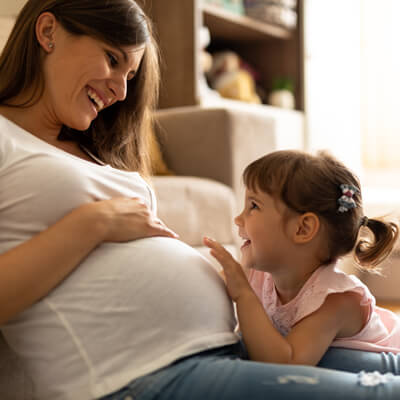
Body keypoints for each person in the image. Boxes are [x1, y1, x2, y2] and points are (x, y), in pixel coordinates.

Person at [1, 1, 400, 399]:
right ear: (48, 31)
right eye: (111, 59)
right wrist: (93, 224)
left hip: (233, 347)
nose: (121, 91)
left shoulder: (89, 149)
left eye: (130, 75)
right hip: (140, 375)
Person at [204, 150, 400, 367]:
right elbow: (207, 288)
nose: (238, 219)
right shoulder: (257, 272)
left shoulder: (337, 301)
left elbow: (285, 365)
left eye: (254, 206)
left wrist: (243, 294)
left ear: (303, 228)